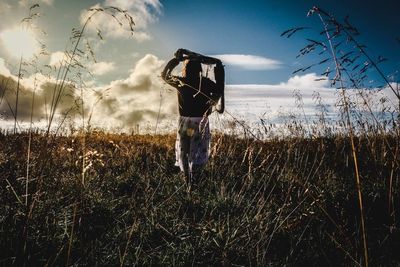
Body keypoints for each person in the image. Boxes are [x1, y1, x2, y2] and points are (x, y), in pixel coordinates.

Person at [161, 48, 224, 188]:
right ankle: (195, 181)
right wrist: (218, 70)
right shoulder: (206, 83)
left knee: (185, 151)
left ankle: (187, 181)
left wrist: (175, 61)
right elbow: (219, 89)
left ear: (186, 68)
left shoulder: (181, 82)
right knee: (198, 152)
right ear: (199, 69)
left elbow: (164, 75)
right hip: (200, 122)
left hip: (185, 123)